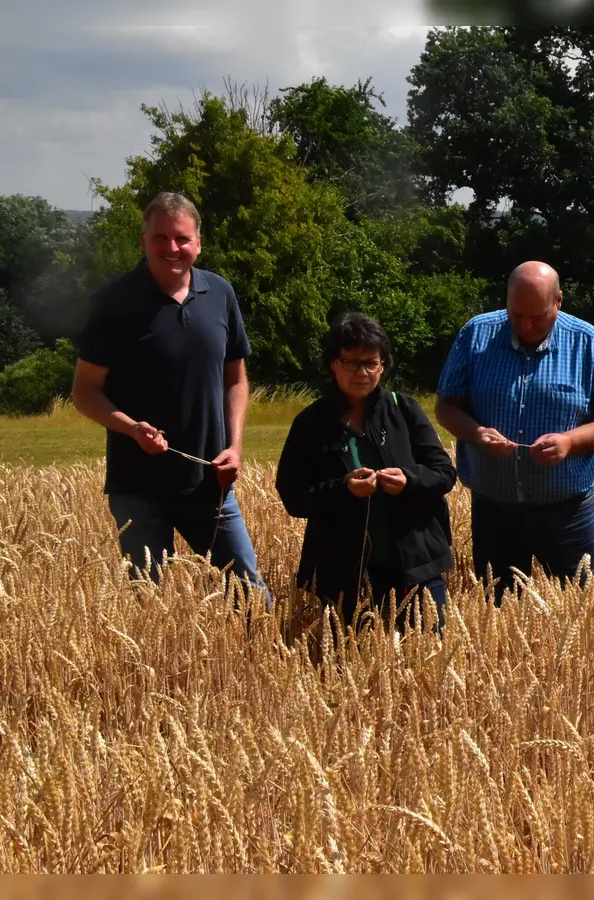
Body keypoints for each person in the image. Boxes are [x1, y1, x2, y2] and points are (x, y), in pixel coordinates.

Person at [71, 192, 268, 597]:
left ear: (198, 243)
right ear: (143, 241)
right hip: (138, 489)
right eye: (160, 238)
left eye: (182, 238)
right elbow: (85, 392)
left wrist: (234, 448)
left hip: (210, 484)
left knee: (253, 602)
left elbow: (235, 379)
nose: (172, 248)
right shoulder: (113, 302)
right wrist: (132, 428)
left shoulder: (220, 293)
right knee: (151, 611)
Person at [434, 261, 594, 599]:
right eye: (516, 314)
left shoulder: (587, 342)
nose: (526, 325)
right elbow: (446, 407)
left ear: (558, 301)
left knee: (581, 607)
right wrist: (477, 433)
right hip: (494, 510)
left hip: (567, 511)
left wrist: (569, 442)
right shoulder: (476, 334)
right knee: (498, 608)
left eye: (537, 316)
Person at [275, 312, 457, 632]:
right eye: (351, 362)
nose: (362, 372)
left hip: (415, 564)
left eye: (371, 363)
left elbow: (443, 472)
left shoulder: (404, 409)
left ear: (383, 365)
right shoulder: (311, 423)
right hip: (346, 572)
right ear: (333, 364)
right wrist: (343, 489)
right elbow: (294, 496)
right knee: (354, 658)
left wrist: (409, 479)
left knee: (430, 648)